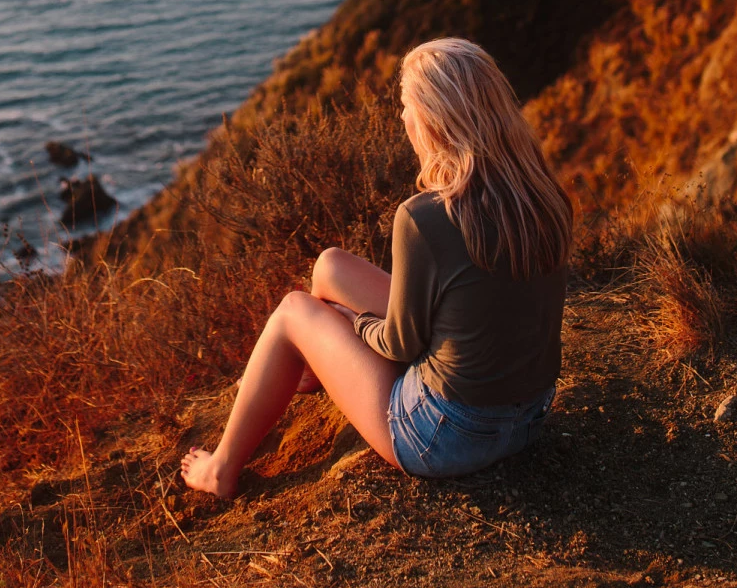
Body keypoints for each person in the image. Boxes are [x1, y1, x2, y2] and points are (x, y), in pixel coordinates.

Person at [181, 37, 572, 498]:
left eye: (406, 106)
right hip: (528, 417)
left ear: (431, 119)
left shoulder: (425, 218)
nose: (402, 117)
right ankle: (309, 366)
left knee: (292, 310)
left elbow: (401, 343)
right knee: (330, 267)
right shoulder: (541, 194)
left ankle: (221, 469)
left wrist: (353, 323)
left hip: (447, 437)